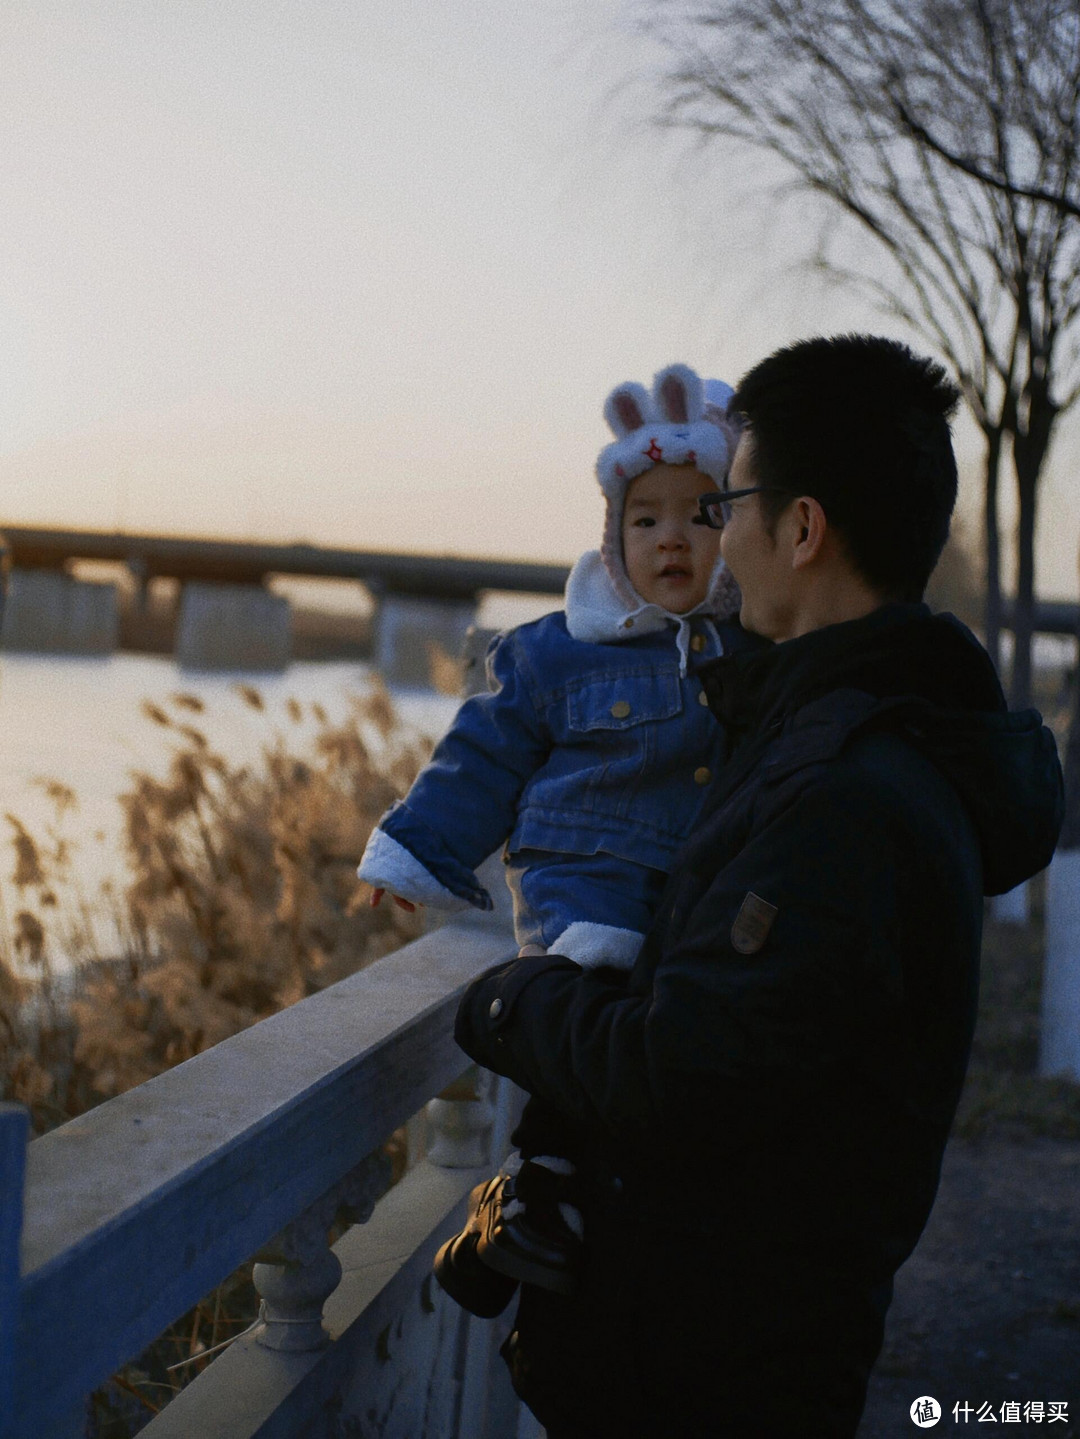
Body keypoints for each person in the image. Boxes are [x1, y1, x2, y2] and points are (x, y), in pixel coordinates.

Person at [452, 335, 1065, 1438]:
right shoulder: (815, 732)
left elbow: (677, 1070)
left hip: (715, 1378)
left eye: (731, 501)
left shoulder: (848, 796)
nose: (716, 533)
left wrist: (505, 1000)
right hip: (710, 1346)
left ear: (800, 527)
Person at [356, 364, 765, 1303]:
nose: (669, 537)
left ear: (736, 531)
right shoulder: (556, 648)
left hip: (686, 898)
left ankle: (535, 1213)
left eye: (699, 515)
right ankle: (541, 1189)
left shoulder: (756, 648)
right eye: (644, 518)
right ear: (614, 539)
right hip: (585, 880)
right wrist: (417, 850)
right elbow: (483, 753)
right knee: (593, 1005)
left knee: (649, 1042)